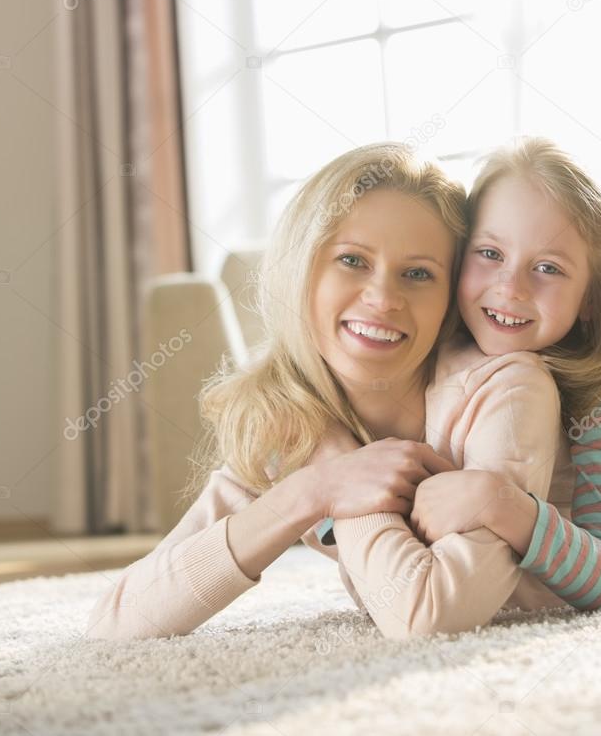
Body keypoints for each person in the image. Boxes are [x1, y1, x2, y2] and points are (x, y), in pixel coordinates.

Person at [84, 142, 564, 641]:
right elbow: (117, 621)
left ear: (450, 297)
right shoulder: (293, 419)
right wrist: (315, 488)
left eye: (418, 273)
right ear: (302, 270)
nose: (382, 297)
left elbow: (430, 616)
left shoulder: (504, 387)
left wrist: (334, 465)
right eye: (353, 260)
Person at [403, 138, 601, 612]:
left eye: (547, 267)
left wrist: (500, 503)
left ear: (590, 300)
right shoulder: (436, 339)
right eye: (490, 253)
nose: (511, 287)